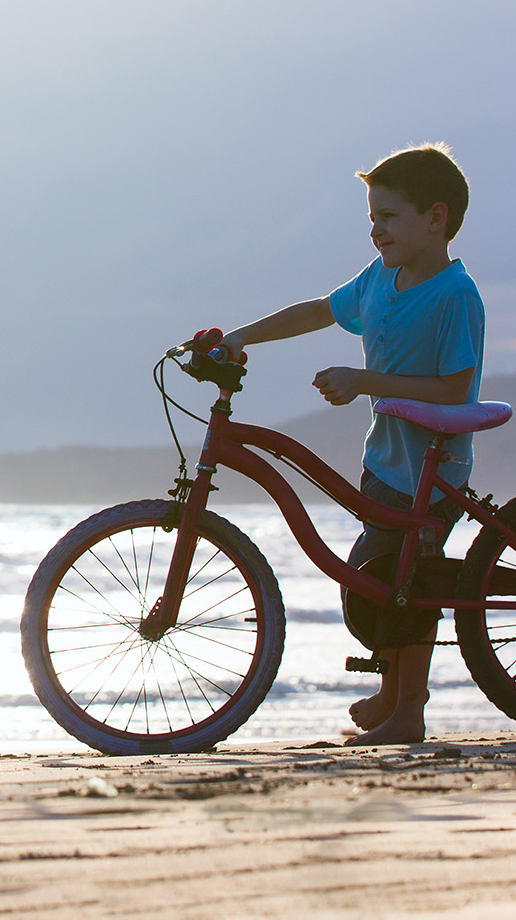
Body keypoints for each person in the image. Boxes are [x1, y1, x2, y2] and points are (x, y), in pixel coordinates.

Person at [185, 143, 486, 747]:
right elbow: (320, 310)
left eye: (390, 217)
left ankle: (409, 709)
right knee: (380, 576)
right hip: (387, 458)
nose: (377, 230)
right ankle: (392, 692)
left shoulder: (456, 295)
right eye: (371, 218)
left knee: (411, 587)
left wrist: (362, 380)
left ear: (437, 217)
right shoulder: (381, 279)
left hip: (435, 464)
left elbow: (455, 388)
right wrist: (242, 336)